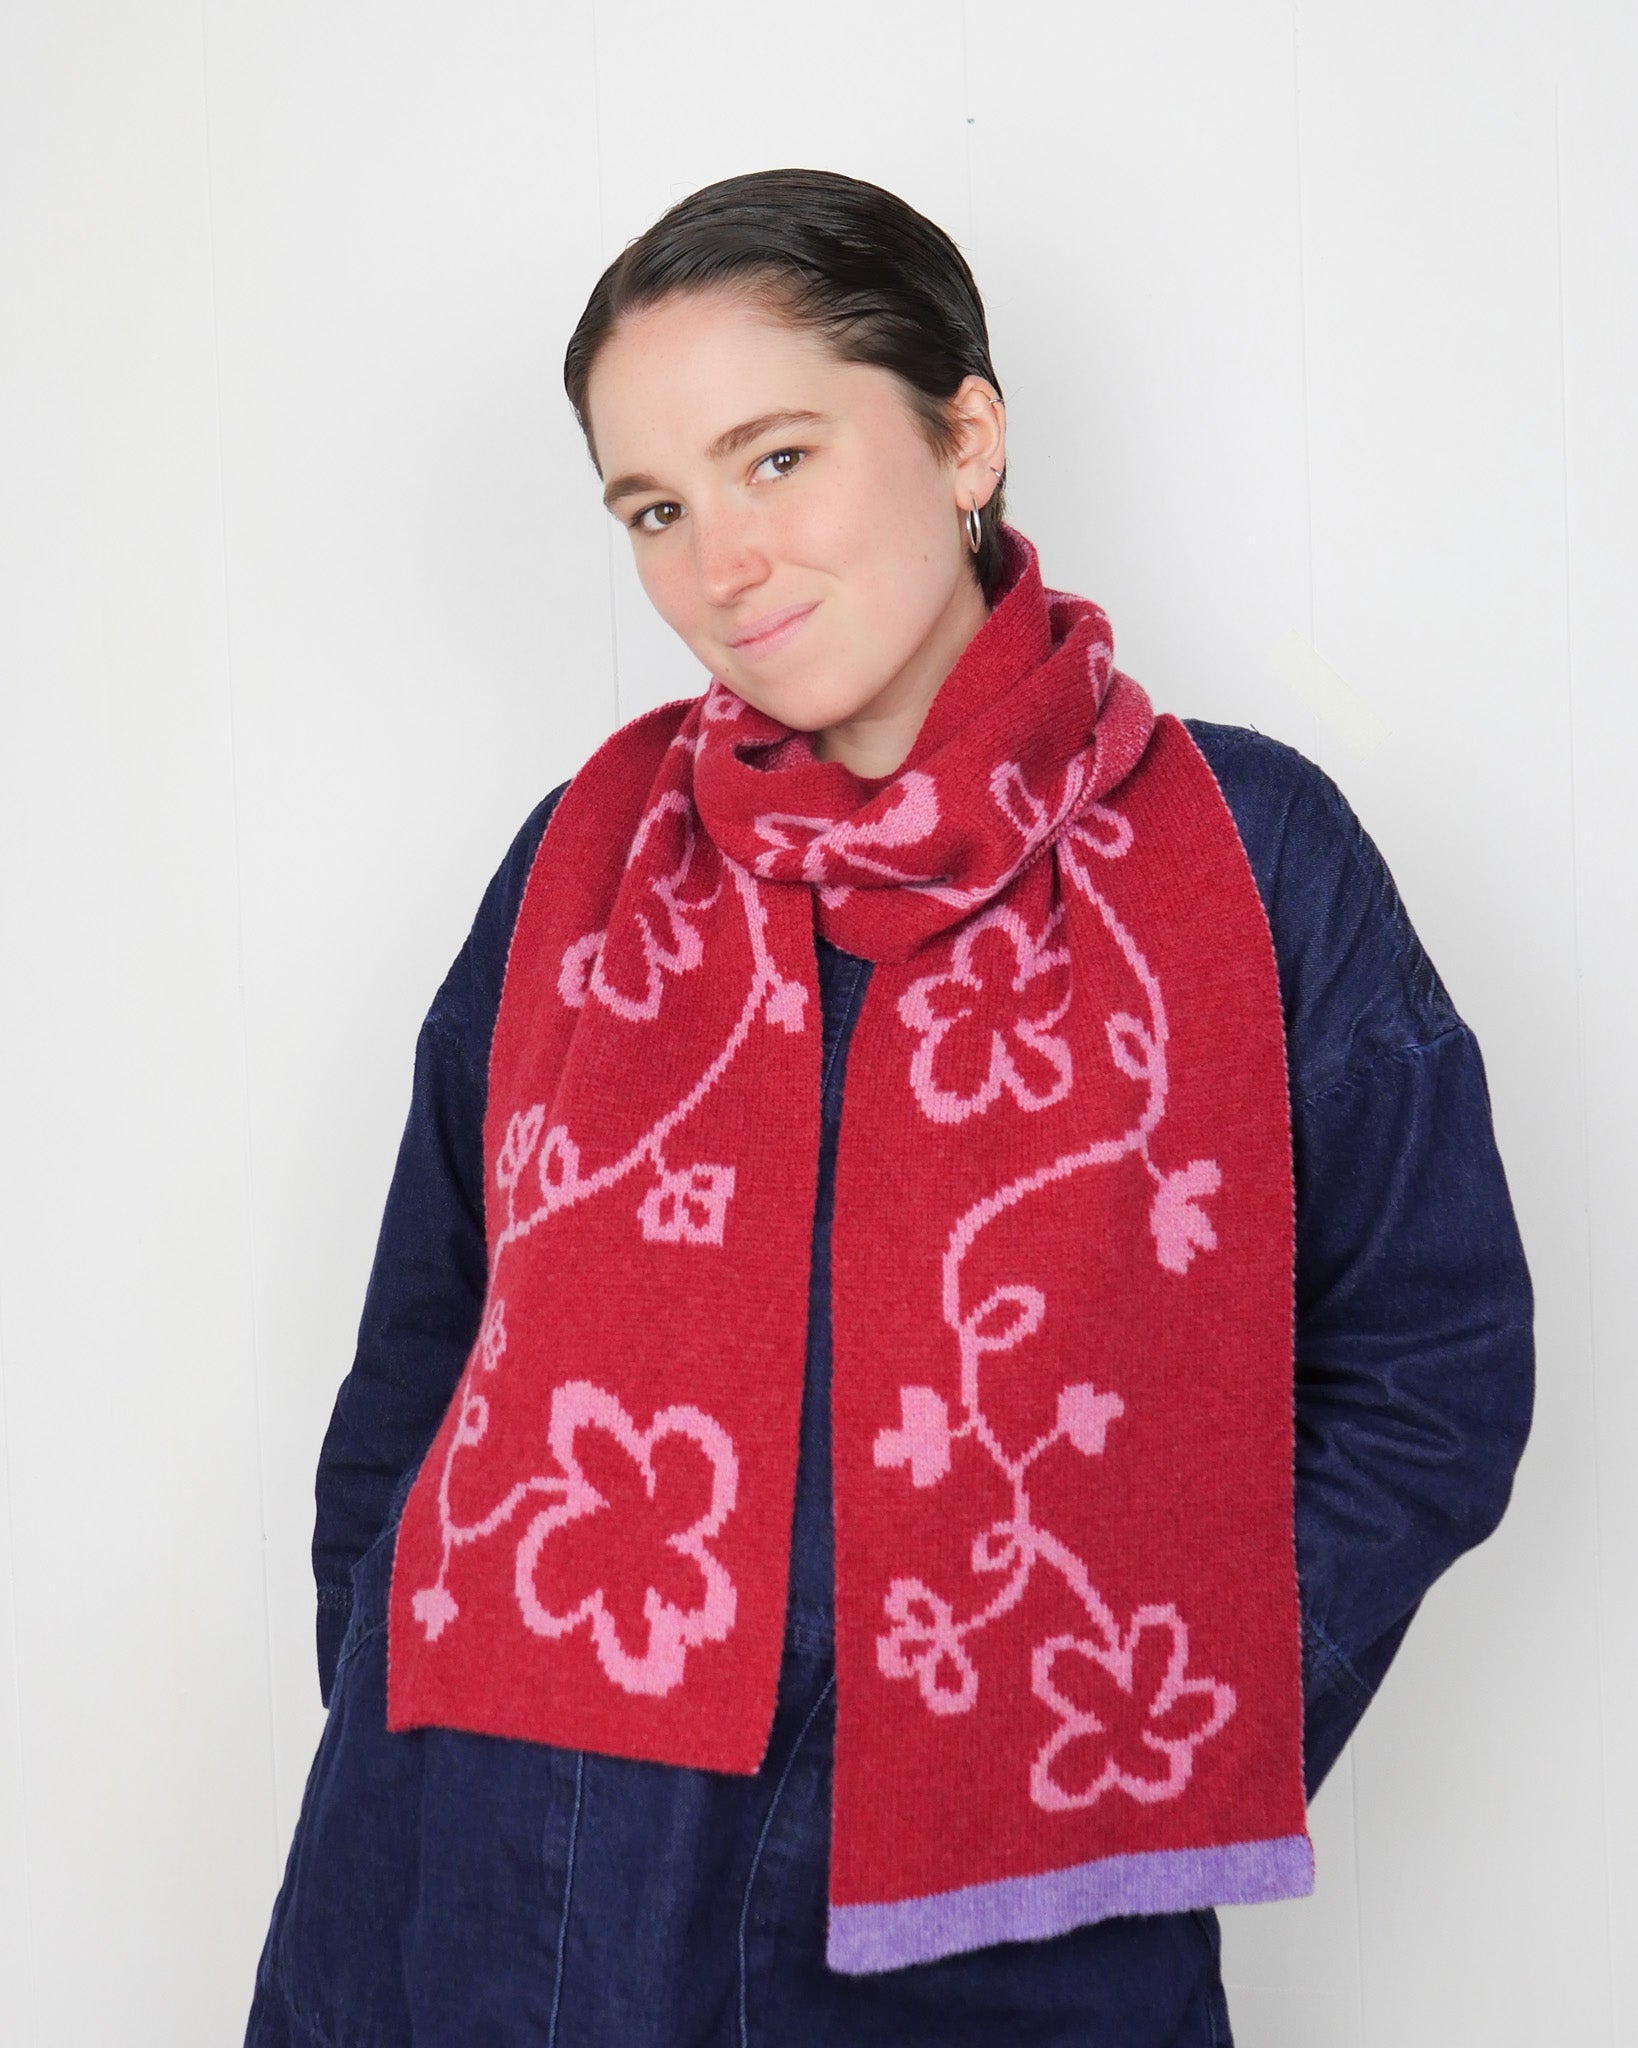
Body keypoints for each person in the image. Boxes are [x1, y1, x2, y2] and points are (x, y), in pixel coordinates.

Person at [245, 169, 1534, 2048]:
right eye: (655, 509)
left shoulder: (1246, 858)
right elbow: (423, 1358)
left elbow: (1432, 1373)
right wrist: (388, 1683)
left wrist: (1148, 1734)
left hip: (989, 1926)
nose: (720, 565)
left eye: (775, 459)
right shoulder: (582, 869)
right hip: (496, 1879)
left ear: (964, 437)